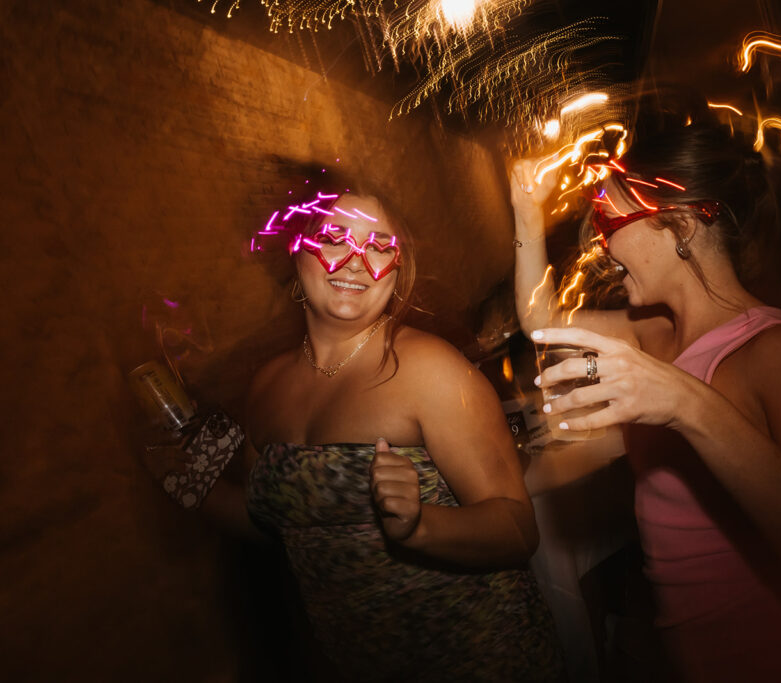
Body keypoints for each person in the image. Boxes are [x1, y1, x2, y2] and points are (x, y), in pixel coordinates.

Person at [509, 119, 781, 681]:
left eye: (611, 220)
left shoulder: (777, 351)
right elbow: (541, 320)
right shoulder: (652, 331)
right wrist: (526, 212)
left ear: (678, 225)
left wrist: (687, 404)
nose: (602, 242)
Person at [144, 174, 564, 681]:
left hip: (479, 655)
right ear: (295, 254)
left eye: (379, 246)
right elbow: (274, 521)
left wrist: (420, 526)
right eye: (333, 238)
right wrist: (192, 488)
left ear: (396, 268)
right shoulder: (267, 386)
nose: (355, 262)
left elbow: (517, 530)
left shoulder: (430, 370)